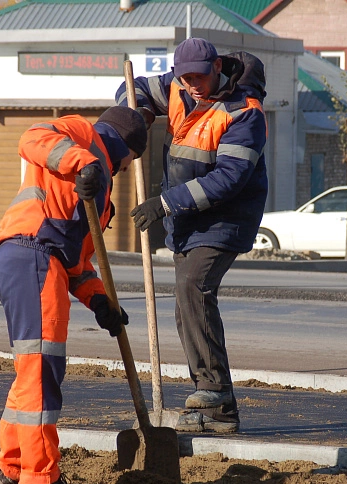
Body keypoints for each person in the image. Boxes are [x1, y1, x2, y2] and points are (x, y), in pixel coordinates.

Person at [0, 106, 148, 484]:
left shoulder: (100, 198)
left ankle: (12, 465)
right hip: (31, 254)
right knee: (42, 369)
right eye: (130, 161)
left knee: (33, 368)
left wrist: (99, 301)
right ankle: (39, 480)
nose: (126, 169)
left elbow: (77, 263)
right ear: (126, 149)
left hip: (43, 263)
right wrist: (85, 162)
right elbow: (30, 139)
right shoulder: (82, 135)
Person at [116, 37, 268, 434]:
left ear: (217, 67)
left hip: (226, 218)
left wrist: (164, 204)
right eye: (186, 79)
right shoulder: (179, 86)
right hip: (187, 220)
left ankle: (212, 389)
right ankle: (220, 411)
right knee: (186, 307)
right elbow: (136, 90)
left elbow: (228, 179)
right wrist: (139, 115)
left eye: (200, 76)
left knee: (192, 286)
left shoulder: (244, 112)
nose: (193, 85)